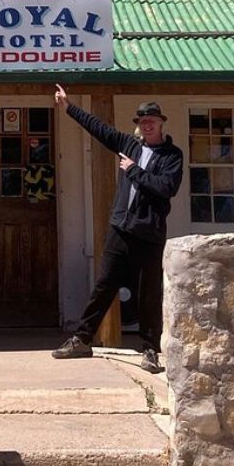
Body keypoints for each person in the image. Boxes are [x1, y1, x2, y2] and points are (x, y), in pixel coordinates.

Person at [51, 84, 184, 373]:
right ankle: (82, 339)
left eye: (151, 121)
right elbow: (99, 129)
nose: (147, 125)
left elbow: (166, 188)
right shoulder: (130, 145)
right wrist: (69, 107)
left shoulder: (172, 155)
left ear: (161, 123)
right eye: (142, 121)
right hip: (120, 228)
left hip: (149, 234)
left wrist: (134, 170)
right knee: (104, 285)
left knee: (148, 293)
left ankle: (150, 350)